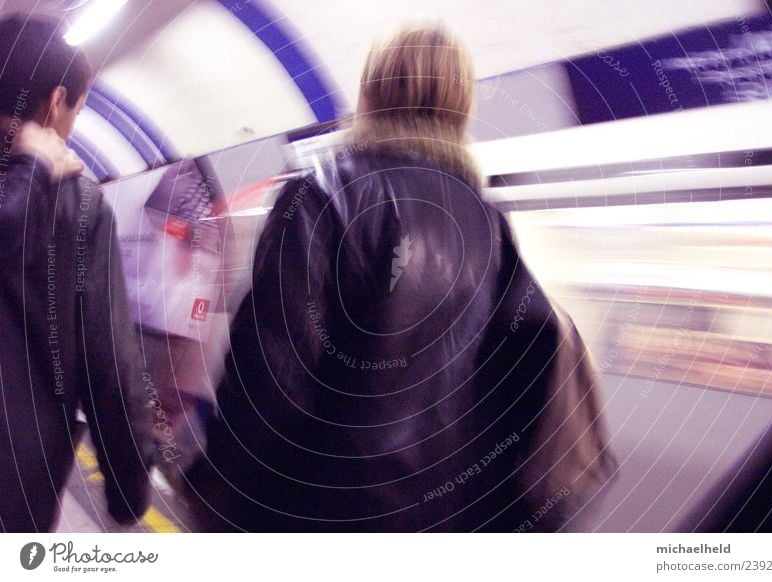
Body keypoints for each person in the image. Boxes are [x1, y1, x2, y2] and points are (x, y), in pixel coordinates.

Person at [186, 23, 615, 532]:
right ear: (461, 106)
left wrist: (218, 492)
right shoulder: (486, 224)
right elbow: (516, 367)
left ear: (370, 92)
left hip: (316, 511)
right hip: (439, 517)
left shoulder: (323, 195)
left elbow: (272, 377)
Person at [0, 15, 154, 532]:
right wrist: (129, 485)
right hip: (17, 476)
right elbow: (107, 359)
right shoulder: (79, 204)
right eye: (77, 111)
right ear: (54, 102)